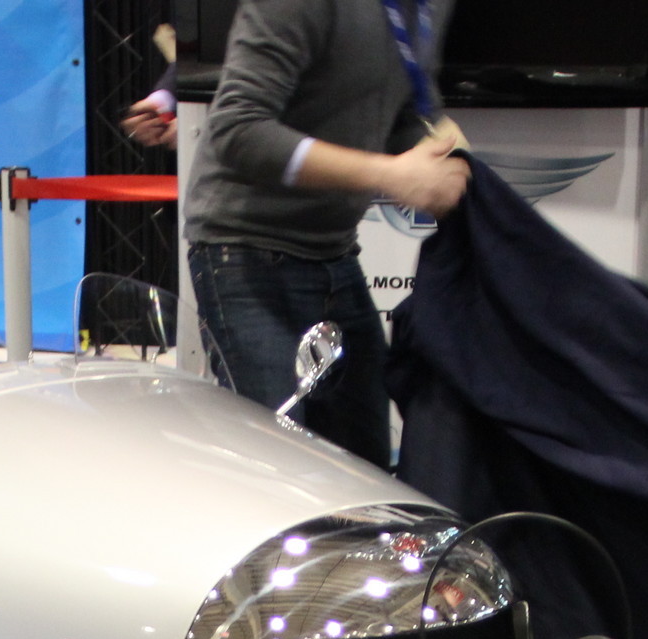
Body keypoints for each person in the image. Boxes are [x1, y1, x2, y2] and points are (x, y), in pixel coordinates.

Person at [172, 0, 468, 467]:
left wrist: (450, 166)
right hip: (246, 253)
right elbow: (238, 132)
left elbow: (398, 113)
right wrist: (388, 175)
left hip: (333, 254)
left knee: (364, 472)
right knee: (275, 469)